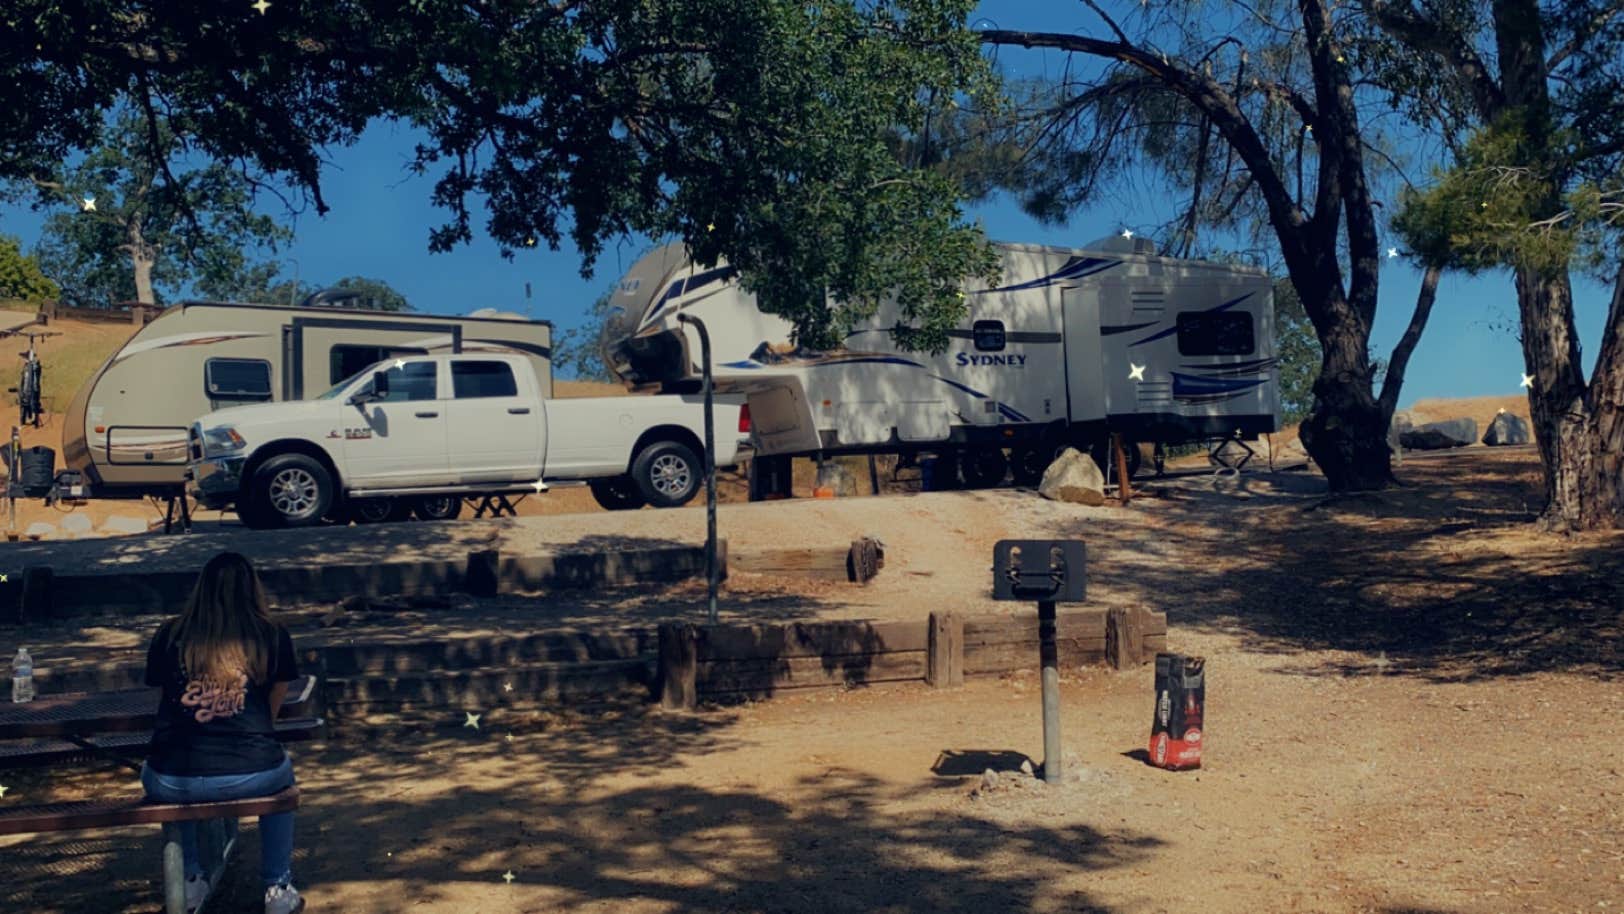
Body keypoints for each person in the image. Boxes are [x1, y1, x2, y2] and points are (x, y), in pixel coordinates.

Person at [140, 551, 305, 914]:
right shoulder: (272, 634)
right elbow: (275, 703)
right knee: (282, 774)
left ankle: (191, 879)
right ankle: (276, 885)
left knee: (167, 775)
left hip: (171, 778)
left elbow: (161, 698)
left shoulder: (170, 634)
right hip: (252, 773)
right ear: (252, 589)